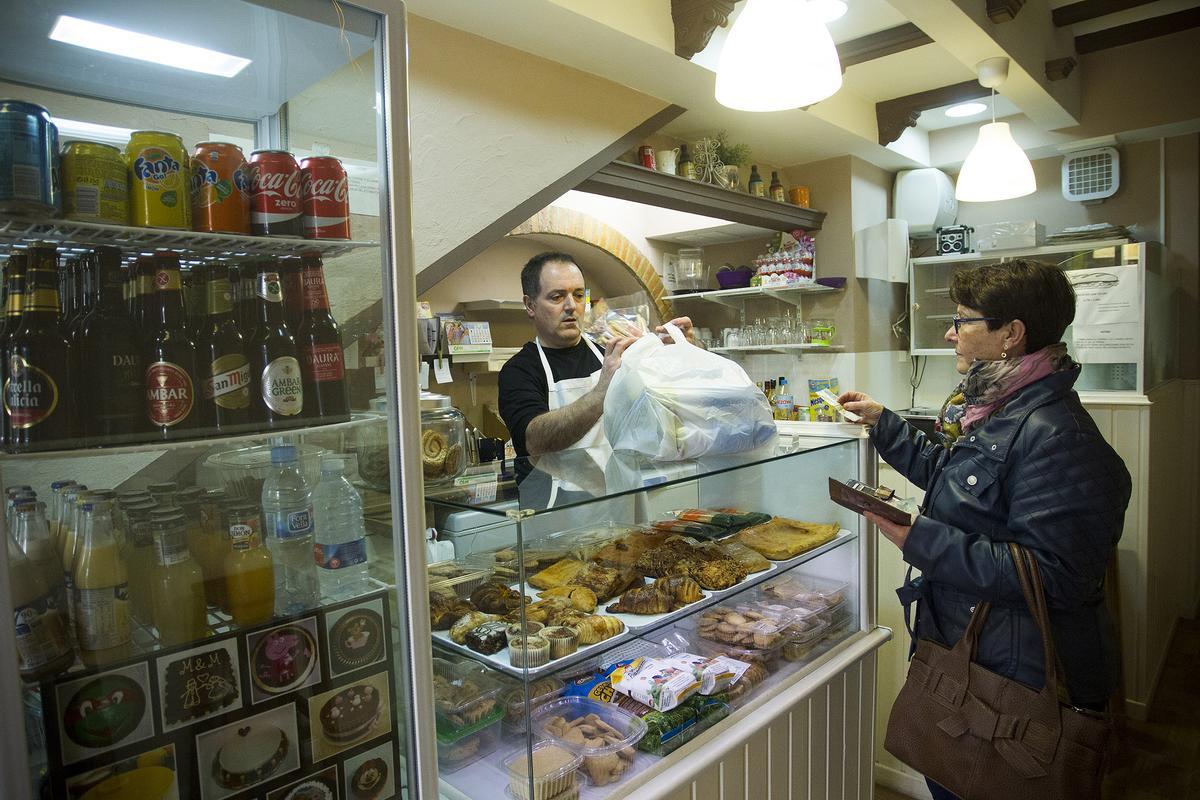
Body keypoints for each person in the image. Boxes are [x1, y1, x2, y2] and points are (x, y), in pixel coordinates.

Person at [837, 259, 1131, 800]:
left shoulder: (1058, 435)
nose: (951, 332)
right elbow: (956, 480)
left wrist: (920, 539)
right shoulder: (1002, 408)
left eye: (964, 320)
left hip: (1009, 682)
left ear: (1010, 335)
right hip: (971, 660)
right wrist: (885, 424)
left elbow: (1055, 578)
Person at [498, 252, 694, 491]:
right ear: (530, 305)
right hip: (554, 514)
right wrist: (602, 392)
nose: (572, 306)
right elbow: (535, 441)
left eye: (579, 295)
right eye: (557, 297)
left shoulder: (610, 354)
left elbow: (659, 417)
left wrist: (677, 356)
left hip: (616, 500)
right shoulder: (519, 371)